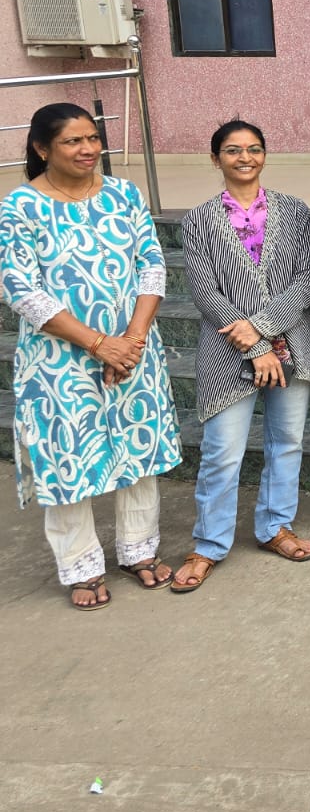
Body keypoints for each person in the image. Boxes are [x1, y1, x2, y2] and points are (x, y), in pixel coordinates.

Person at [0, 103, 182, 610]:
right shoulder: (20, 206)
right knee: (67, 457)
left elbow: (151, 265)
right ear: (42, 149)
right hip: (58, 359)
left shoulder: (124, 194)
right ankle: (81, 566)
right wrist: (99, 344)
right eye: (73, 141)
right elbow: (20, 289)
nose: (88, 150)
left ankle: (138, 551)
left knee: (138, 448)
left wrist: (133, 339)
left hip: (134, 349)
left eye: (93, 139)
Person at [173, 120, 310, 592]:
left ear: (264, 154)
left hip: (293, 344)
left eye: (254, 148)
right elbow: (204, 292)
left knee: (287, 442)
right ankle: (208, 544)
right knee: (222, 451)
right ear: (215, 158)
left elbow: (309, 280)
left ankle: (275, 527)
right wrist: (257, 347)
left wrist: (262, 327)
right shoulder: (198, 219)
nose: (245, 157)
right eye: (233, 150)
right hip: (227, 352)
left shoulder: (294, 211)